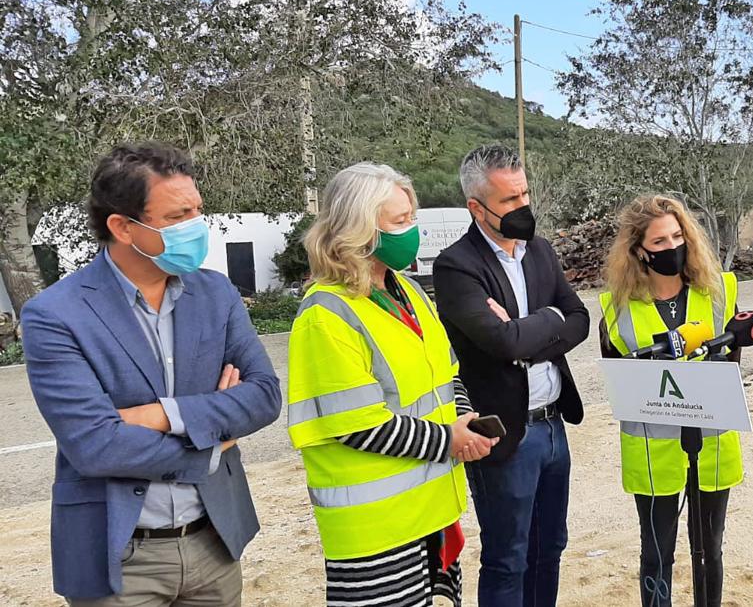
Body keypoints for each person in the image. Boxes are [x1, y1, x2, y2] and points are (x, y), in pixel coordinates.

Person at [22, 145, 282, 605]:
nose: (196, 226)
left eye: (197, 210)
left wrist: (160, 415)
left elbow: (262, 397)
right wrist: (208, 444)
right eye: (178, 216)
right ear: (123, 227)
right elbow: (95, 446)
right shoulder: (55, 315)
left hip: (215, 542)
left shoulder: (215, 293)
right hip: (121, 557)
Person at [286, 163, 497, 607]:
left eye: (411, 217)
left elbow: (447, 375)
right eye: (400, 222)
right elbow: (357, 424)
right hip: (375, 532)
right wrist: (448, 441)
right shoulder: (326, 315)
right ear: (359, 227)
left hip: (431, 510)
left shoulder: (408, 291)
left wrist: (463, 421)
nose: (412, 231)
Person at [432, 145, 589, 607]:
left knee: (550, 548)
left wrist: (527, 328)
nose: (523, 206)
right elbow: (503, 344)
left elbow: (578, 318)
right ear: (476, 208)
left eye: (524, 194)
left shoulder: (539, 249)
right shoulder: (456, 265)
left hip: (553, 425)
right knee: (508, 558)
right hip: (503, 435)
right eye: (509, 200)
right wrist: (548, 320)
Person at [598, 194, 743, 607]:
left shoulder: (720, 293)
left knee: (709, 552)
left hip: (712, 448)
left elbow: (732, 371)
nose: (672, 248)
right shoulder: (615, 310)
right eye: (659, 242)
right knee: (656, 554)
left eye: (678, 236)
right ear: (638, 250)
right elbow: (618, 385)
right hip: (651, 454)